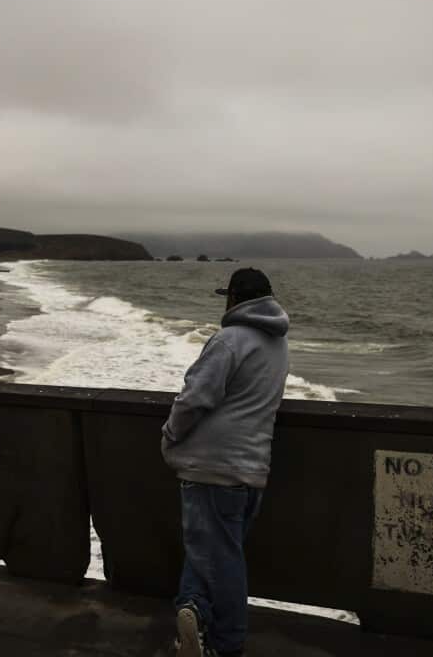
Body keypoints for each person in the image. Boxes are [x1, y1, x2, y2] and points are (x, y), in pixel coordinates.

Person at [160, 267, 290, 657]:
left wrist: (170, 435)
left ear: (234, 299)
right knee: (212, 552)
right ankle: (192, 615)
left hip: (212, 469)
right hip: (252, 469)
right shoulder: (278, 345)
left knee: (222, 559)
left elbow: (195, 397)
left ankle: (226, 644)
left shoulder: (229, 340)